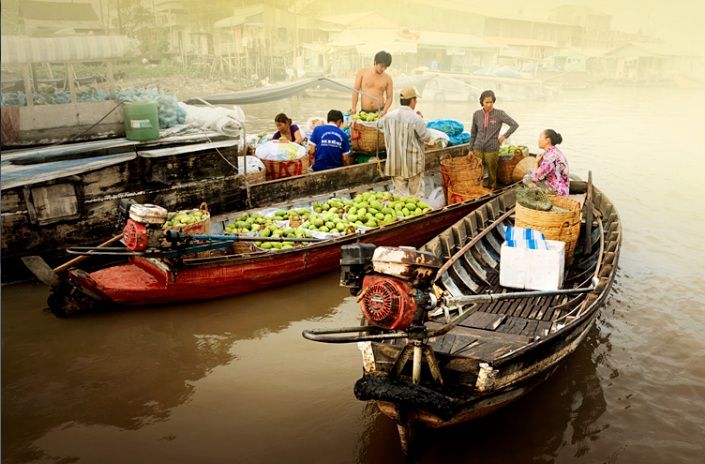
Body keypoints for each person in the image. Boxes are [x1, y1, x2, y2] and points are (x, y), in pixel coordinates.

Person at [381, 87, 431, 197]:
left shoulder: (388, 116)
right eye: (415, 100)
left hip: (395, 162)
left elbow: (379, 126)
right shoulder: (416, 119)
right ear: (412, 101)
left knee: (399, 197)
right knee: (416, 196)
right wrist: (421, 120)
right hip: (413, 164)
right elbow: (426, 137)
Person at [469, 90, 519, 189]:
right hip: (477, 148)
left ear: (494, 102)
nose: (489, 104)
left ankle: (492, 188)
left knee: (492, 172)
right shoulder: (476, 114)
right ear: (481, 102)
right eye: (486, 102)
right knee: (477, 171)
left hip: (492, 148)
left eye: (491, 102)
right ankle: (478, 189)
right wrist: (470, 149)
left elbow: (514, 125)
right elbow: (473, 133)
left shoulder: (499, 114)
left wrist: (504, 137)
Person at [525, 129, 570, 196]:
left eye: (540, 137)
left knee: (527, 178)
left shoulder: (550, 157)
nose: (538, 140)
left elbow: (535, 178)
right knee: (530, 171)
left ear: (547, 140)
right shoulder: (556, 152)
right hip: (563, 189)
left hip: (557, 192)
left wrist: (536, 162)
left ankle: (539, 200)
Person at [352, 51, 393, 117]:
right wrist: (354, 108)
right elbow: (355, 91)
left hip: (380, 112)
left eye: (385, 67)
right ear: (376, 62)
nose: (383, 69)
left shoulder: (388, 78)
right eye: (382, 66)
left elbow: (390, 97)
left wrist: (384, 111)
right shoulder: (362, 73)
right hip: (364, 112)